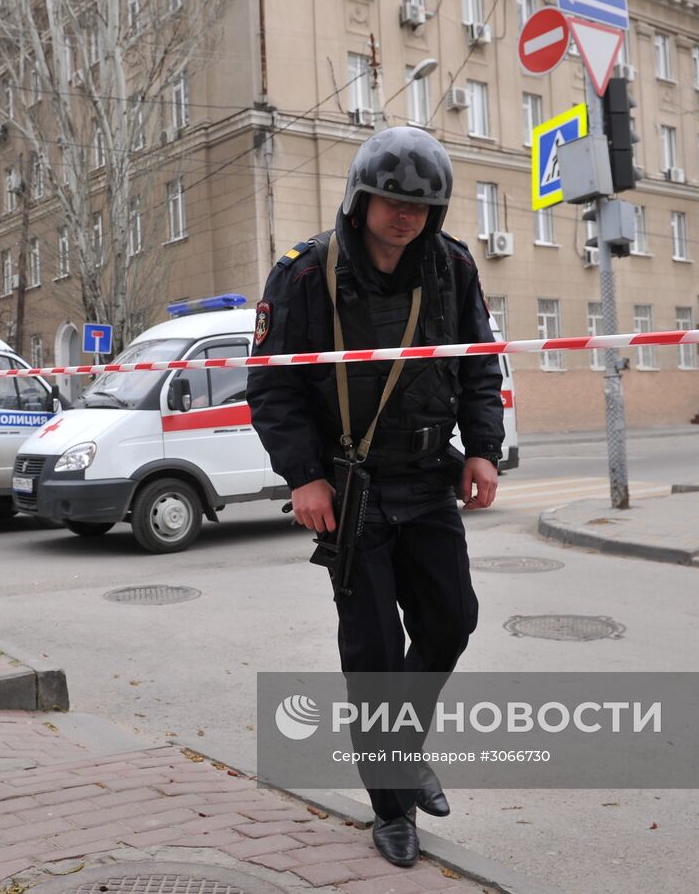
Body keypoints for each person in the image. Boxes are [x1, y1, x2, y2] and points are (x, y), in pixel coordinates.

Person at [247, 127, 505, 866]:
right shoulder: (304, 274)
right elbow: (273, 386)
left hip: (427, 481)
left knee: (452, 621)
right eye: (393, 201)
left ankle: (402, 744)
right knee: (375, 656)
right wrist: (303, 477)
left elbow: (478, 364)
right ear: (363, 199)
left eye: (422, 206)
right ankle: (391, 808)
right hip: (351, 489)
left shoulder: (452, 269)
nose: (406, 217)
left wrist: (482, 448)